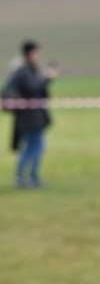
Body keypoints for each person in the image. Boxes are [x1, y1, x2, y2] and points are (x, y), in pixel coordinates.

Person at [10, 41, 58, 189]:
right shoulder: (24, 72)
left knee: (30, 148)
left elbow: (39, 91)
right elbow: (33, 88)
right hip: (29, 118)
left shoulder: (30, 70)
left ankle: (22, 178)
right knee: (35, 148)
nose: (38, 56)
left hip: (32, 116)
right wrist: (46, 77)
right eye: (36, 53)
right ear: (30, 53)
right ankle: (30, 178)